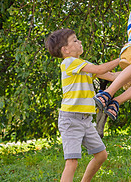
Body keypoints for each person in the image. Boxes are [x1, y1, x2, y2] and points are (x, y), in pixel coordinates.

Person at [45, 28, 120, 182]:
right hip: (71, 119)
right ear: (65, 50)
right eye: (75, 40)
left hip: (85, 120)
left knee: (101, 155)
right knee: (72, 162)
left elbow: (112, 76)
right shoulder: (69, 62)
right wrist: (123, 57)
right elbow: (100, 69)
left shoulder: (83, 64)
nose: (79, 42)